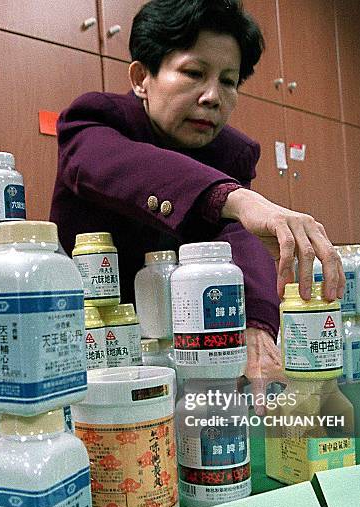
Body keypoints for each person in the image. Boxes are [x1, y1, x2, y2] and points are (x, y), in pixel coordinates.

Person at [50, 0, 344, 404]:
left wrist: (257, 324)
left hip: (186, 366)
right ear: (141, 77)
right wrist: (236, 197)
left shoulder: (229, 153)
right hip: (92, 358)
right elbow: (115, 165)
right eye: (193, 73)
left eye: (229, 81)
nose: (212, 96)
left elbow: (237, 238)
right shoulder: (95, 121)